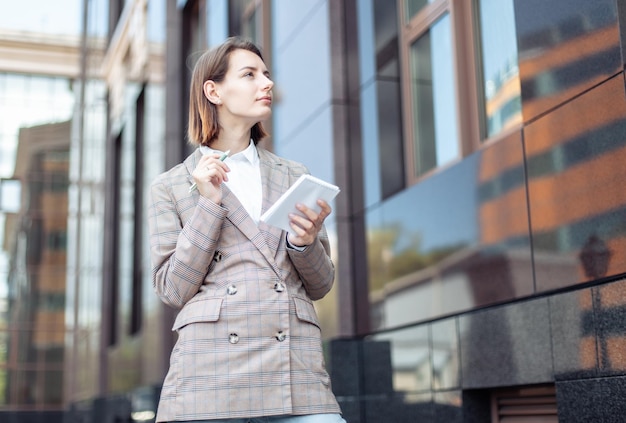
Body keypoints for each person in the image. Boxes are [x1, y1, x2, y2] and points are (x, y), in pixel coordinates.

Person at [148, 36, 346, 423]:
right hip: (209, 375)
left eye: (267, 74)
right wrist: (208, 205)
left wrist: (303, 244)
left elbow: (321, 285)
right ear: (214, 90)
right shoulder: (171, 186)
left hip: (294, 371)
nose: (267, 83)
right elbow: (172, 288)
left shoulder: (294, 175)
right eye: (250, 74)